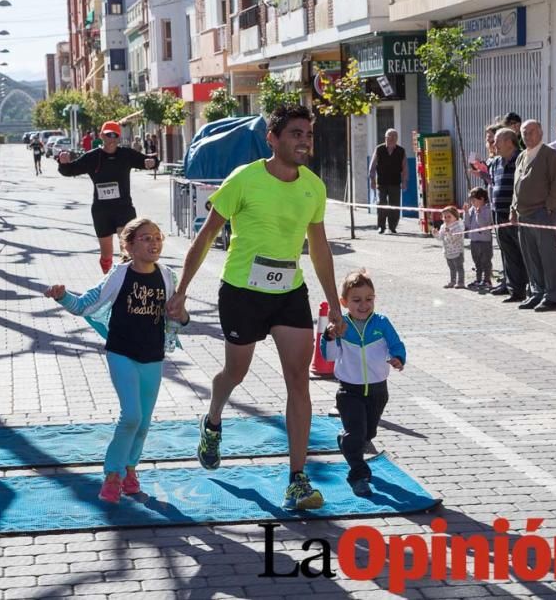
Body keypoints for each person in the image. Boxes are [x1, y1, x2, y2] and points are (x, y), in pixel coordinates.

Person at [165, 105, 344, 511]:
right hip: (242, 293)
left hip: (289, 293)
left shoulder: (313, 187)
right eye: (295, 133)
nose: (304, 141)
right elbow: (207, 235)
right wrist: (183, 290)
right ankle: (212, 421)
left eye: (308, 135)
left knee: (298, 381)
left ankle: (297, 478)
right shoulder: (243, 179)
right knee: (236, 372)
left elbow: (318, 248)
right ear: (273, 138)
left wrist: (334, 304)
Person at [45, 218, 189, 502]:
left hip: (153, 356)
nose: (154, 243)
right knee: (131, 416)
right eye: (146, 238)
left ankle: (130, 469)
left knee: (144, 421)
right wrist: (62, 297)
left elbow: (181, 319)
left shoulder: (168, 276)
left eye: (158, 237)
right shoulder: (119, 276)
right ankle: (112, 475)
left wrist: (180, 315)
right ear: (129, 245)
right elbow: (85, 304)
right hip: (121, 353)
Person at [319, 270, 405, 497]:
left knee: (368, 434)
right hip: (349, 391)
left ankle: (347, 442)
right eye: (356, 300)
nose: (364, 305)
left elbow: (396, 343)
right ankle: (359, 474)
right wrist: (328, 337)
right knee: (356, 435)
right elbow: (328, 357)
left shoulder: (382, 323)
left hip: (379, 390)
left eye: (369, 299)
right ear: (344, 302)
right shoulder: (340, 326)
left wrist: (398, 358)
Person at [58, 121, 158, 274]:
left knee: (128, 250)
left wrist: (152, 162)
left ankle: (126, 283)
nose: (111, 138)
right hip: (101, 211)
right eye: (108, 135)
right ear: (101, 136)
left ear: (118, 138)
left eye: (115, 135)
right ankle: (108, 282)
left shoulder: (126, 154)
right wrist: (63, 162)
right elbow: (70, 170)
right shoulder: (93, 157)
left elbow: (148, 161)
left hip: (123, 208)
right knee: (106, 254)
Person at [511, 120, 556, 312]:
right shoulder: (521, 157)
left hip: (542, 212)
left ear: (540, 133)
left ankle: (552, 296)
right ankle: (536, 292)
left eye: (531, 132)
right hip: (523, 214)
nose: (527, 136)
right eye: (524, 133)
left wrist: (549, 207)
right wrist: (513, 209)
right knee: (530, 256)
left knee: (547, 256)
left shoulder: (550, 154)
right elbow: (516, 186)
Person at [486, 128, 528, 301]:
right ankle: (513, 289)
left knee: (522, 253)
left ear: (510, 142)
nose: (494, 144)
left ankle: (528, 288)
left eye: (497, 141)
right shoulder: (496, 162)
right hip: (498, 213)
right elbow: (493, 183)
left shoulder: (521, 159)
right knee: (507, 252)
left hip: (515, 214)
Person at [368, 129, 408, 234]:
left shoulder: (401, 151)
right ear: (385, 138)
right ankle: (381, 226)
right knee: (382, 203)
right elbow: (372, 166)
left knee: (394, 205)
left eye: (394, 137)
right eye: (390, 137)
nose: (392, 139)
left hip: (395, 182)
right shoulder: (379, 149)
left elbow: (404, 168)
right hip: (381, 182)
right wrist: (372, 180)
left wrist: (404, 181)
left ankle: (392, 226)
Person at [465, 187, 494, 290]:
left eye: (474, 200)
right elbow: (467, 224)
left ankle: (487, 280)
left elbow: (483, 225)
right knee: (477, 261)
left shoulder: (487, 209)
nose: (472, 202)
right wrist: (466, 213)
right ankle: (478, 280)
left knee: (486, 261)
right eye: (471, 200)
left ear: (481, 199)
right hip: (474, 240)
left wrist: (478, 214)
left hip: (485, 240)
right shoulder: (472, 209)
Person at [431, 205, 464, 289]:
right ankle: (452, 281)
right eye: (444, 217)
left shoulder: (458, 226)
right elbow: (441, 238)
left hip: (457, 252)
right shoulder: (443, 226)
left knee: (459, 268)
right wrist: (436, 234)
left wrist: (449, 233)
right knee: (452, 268)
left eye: (449, 216)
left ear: (456, 217)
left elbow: (455, 239)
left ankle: (460, 282)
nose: (446, 219)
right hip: (448, 252)